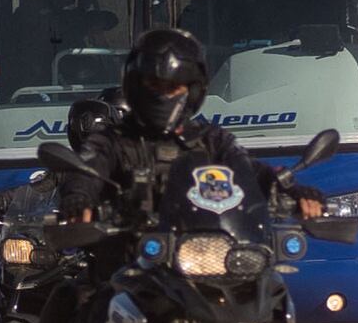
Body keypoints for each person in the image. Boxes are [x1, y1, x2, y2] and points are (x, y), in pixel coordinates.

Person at [62, 25, 253, 226]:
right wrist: (78, 197)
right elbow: (87, 169)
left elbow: (248, 169)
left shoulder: (212, 140)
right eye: (154, 86)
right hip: (130, 245)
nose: (163, 96)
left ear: (193, 90)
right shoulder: (113, 140)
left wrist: (282, 186)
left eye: (172, 88)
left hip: (200, 245)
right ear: (135, 87)